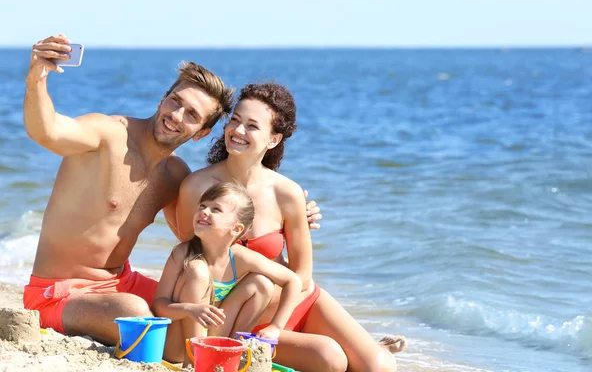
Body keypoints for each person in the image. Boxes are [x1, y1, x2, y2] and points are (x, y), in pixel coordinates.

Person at [21, 34, 321, 346]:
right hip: (54, 293)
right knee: (136, 313)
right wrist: (36, 78)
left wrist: (293, 215)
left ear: (201, 133)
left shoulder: (174, 176)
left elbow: (208, 237)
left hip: (121, 283)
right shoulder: (108, 133)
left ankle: (271, 346)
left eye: (192, 115)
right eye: (176, 101)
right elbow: (47, 131)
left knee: (206, 300)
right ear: (163, 97)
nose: (176, 116)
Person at [175, 83, 405, 372]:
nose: (238, 130)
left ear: (273, 139)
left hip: (293, 298)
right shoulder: (197, 187)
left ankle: (373, 349)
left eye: (252, 126)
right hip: (241, 313)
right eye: (235, 120)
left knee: (379, 367)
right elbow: (191, 264)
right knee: (331, 359)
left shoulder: (287, 193)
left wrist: (279, 315)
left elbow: (303, 276)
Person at [153, 181, 302, 364]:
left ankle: (231, 351)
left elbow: (293, 281)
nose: (204, 211)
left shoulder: (240, 257)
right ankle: (195, 361)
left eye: (216, 209)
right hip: (178, 345)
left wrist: (276, 327)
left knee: (262, 283)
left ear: (237, 229)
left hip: (215, 336)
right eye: (202, 206)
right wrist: (189, 309)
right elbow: (159, 305)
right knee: (197, 269)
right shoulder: (183, 253)